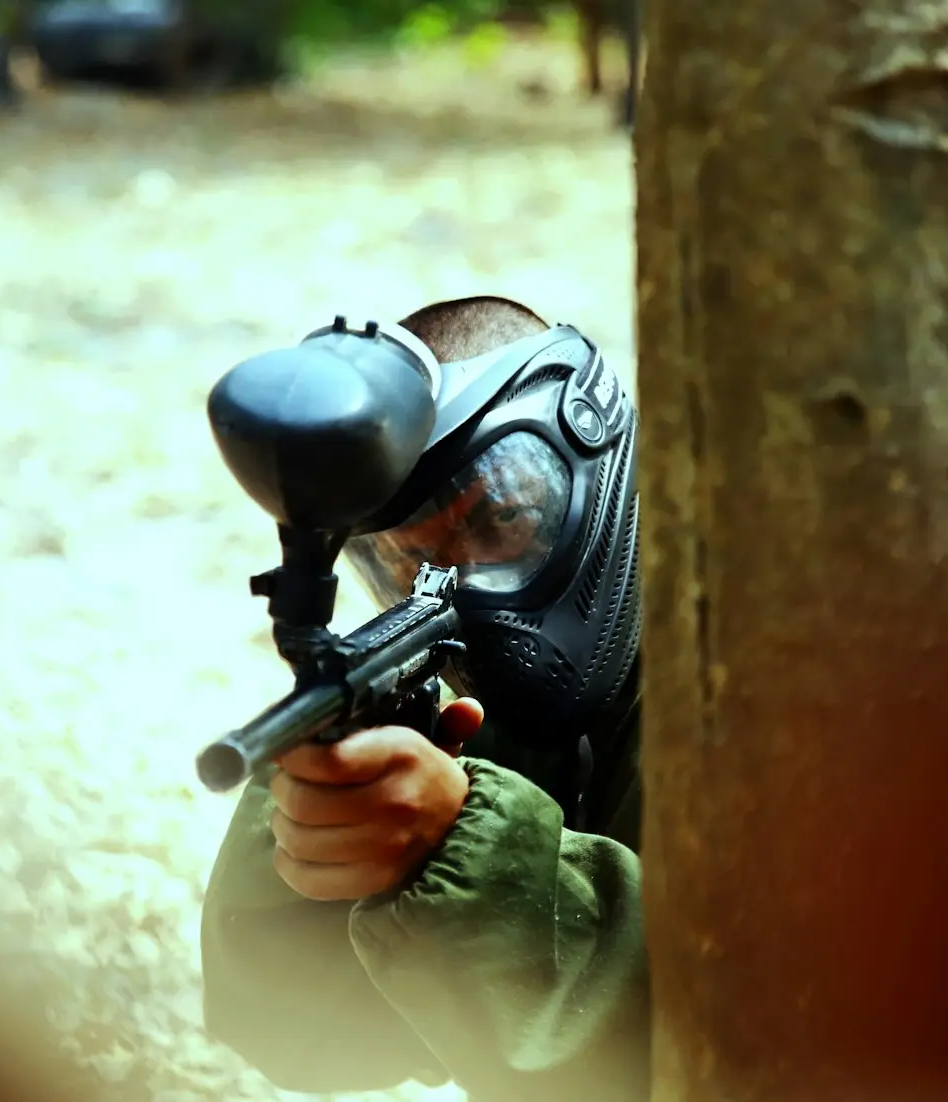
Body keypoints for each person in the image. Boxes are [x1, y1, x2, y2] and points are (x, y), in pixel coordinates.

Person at [199, 296, 651, 1102]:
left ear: (593, 468)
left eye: (503, 520)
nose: (458, 584)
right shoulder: (445, 703)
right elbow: (309, 1037)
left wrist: (466, 847)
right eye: (408, 560)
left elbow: (770, 1021)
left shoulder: (763, 671)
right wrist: (329, 834)